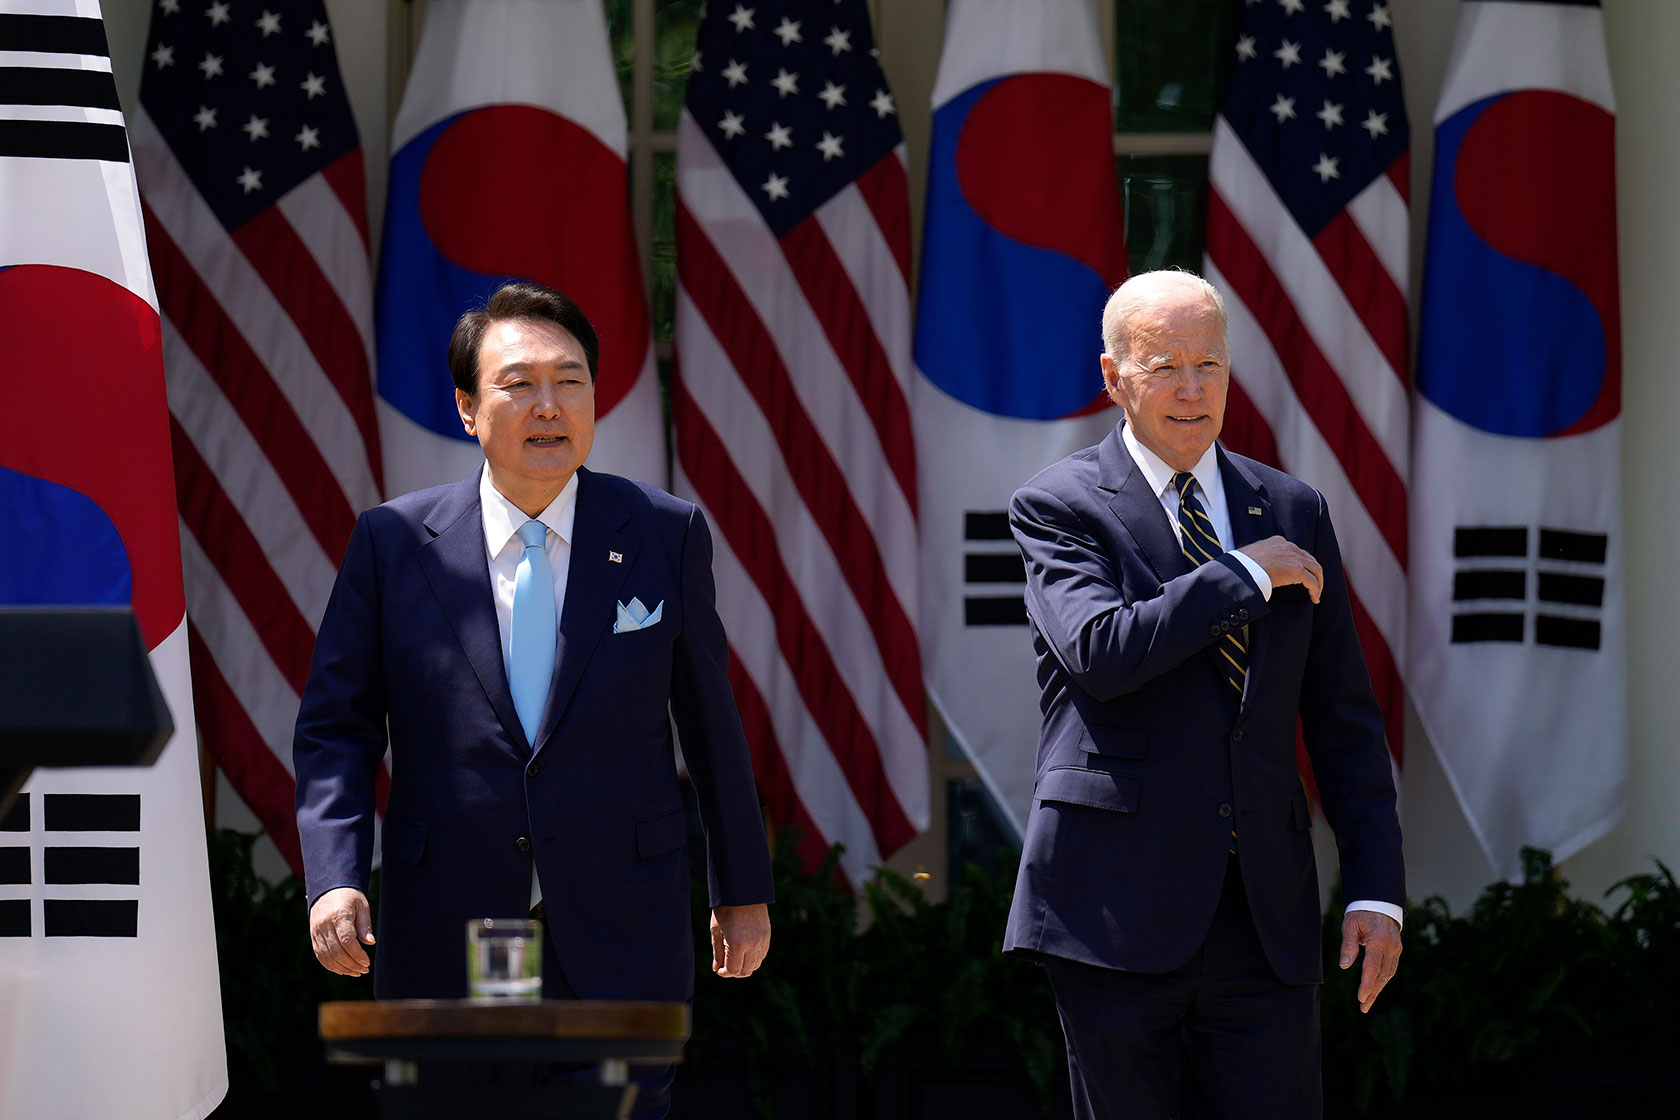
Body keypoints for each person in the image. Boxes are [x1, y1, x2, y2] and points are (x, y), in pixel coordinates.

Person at [293, 281, 773, 1118]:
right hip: (455, 927)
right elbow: (337, 728)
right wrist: (334, 877)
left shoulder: (662, 532)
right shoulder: (395, 542)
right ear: (468, 409)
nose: (549, 405)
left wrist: (742, 888)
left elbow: (710, 723)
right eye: (518, 384)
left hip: (619, 928)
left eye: (571, 380)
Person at [1003, 270, 1404, 1118]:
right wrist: (1243, 573)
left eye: (1210, 366)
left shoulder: (1293, 507)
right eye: (1164, 368)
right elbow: (1102, 652)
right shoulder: (1059, 504)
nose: (1192, 391)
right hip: (1111, 911)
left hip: (1263, 918)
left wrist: (1374, 889)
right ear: (1113, 378)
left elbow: (1341, 719)